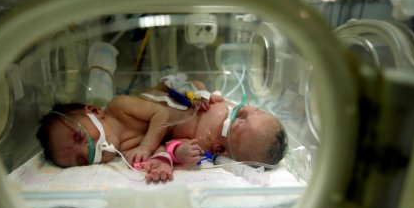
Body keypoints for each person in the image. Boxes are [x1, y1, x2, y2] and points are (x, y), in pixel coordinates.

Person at [36, 77, 287, 181]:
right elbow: (165, 142)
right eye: (81, 160)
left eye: (80, 136)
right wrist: (167, 159)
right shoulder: (122, 152)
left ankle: (201, 92)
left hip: (180, 101)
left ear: (95, 111)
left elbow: (161, 114)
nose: (89, 149)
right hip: (187, 126)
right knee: (205, 139)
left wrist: (146, 146)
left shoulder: (119, 106)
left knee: (196, 90)